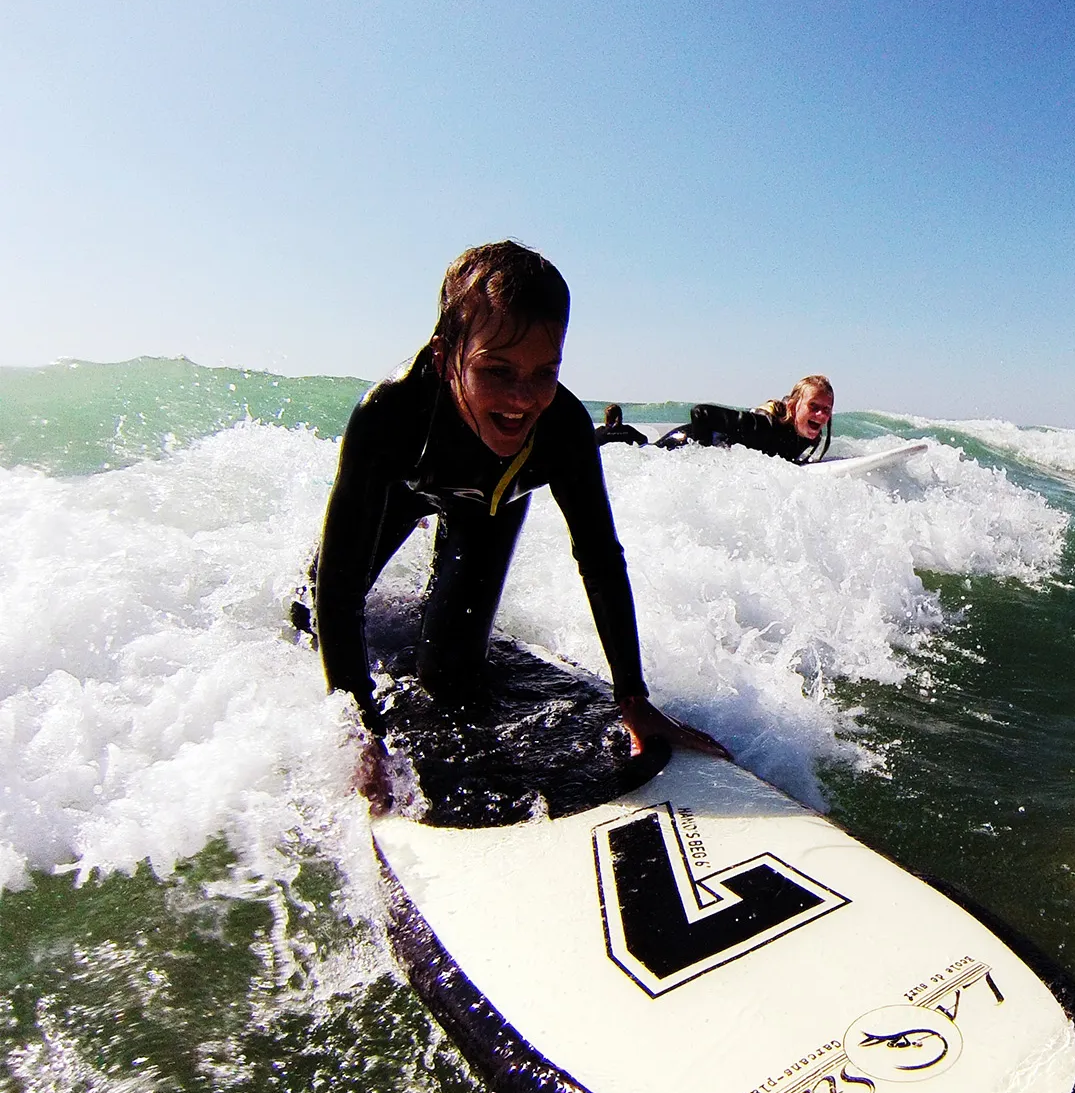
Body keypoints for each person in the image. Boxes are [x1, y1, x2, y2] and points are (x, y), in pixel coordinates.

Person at [305, 241, 730, 808]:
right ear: (443, 357)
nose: (522, 398)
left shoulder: (565, 429)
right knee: (313, 607)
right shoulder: (390, 415)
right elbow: (337, 587)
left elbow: (600, 558)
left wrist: (633, 699)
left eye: (544, 372)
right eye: (495, 370)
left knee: (451, 680)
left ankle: (438, 612)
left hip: (490, 507)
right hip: (409, 488)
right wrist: (362, 738)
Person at [656, 375, 834, 463]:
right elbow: (701, 413)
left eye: (826, 409)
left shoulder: (807, 437)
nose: (821, 414)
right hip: (679, 444)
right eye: (814, 406)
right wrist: (704, 461)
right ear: (793, 407)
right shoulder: (764, 427)